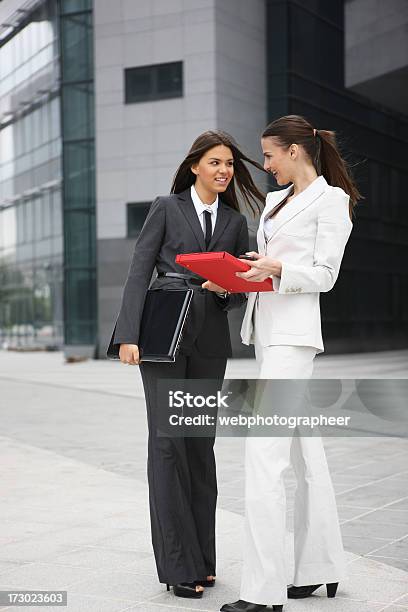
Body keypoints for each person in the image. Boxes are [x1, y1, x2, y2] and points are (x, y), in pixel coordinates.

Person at [108, 131, 265, 599]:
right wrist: (128, 335)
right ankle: (177, 565)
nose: (223, 171)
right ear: (195, 165)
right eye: (215, 162)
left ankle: (203, 559)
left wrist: (229, 290)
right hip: (161, 337)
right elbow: (139, 270)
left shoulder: (236, 222)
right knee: (167, 445)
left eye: (230, 165)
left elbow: (240, 286)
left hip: (209, 342)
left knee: (199, 446)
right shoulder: (166, 206)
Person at [220, 115, 362, 612]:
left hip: (294, 340)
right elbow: (269, 264)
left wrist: (278, 268)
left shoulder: (332, 201)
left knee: (264, 457)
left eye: (270, 155)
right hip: (267, 333)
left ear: (295, 152)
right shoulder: (278, 203)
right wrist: (238, 274)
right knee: (305, 457)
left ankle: (262, 593)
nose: (266, 164)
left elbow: (324, 274)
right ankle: (319, 568)